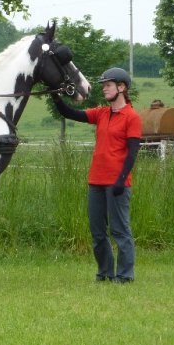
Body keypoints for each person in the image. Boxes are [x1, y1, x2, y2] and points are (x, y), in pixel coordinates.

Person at [51, 67, 142, 283]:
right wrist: (56, 97)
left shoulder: (132, 116)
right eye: (103, 85)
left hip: (117, 183)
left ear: (121, 87)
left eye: (108, 85)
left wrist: (121, 180)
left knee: (120, 231)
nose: (104, 89)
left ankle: (125, 275)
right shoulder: (101, 113)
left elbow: (132, 153)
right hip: (96, 181)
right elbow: (70, 113)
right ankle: (105, 273)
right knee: (98, 232)